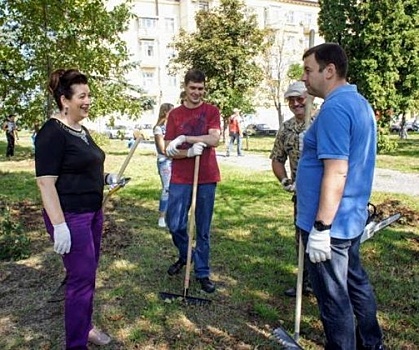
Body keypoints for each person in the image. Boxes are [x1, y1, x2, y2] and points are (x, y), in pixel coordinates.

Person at [296, 43, 384, 349]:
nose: (304, 78)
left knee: (334, 300)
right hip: (350, 218)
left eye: (309, 70)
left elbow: (336, 171)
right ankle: (372, 343)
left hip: (330, 225)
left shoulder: (335, 108)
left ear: (329, 70)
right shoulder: (358, 102)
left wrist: (320, 228)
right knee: (355, 283)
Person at [35, 68, 121, 349]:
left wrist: (107, 179)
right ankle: (76, 343)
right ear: (64, 100)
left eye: (89, 95)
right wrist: (59, 225)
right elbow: (46, 184)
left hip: (93, 213)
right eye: (82, 96)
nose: (88, 101)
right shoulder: (52, 132)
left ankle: (85, 327)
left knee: (87, 275)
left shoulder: (80, 130)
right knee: (80, 281)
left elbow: (85, 168)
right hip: (71, 217)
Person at [164, 68, 221, 293]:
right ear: (185, 88)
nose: (196, 92)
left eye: (200, 88)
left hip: (206, 177)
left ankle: (202, 271)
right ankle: (188, 255)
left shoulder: (211, 111)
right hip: (181, 177)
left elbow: (214, 139)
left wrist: (187, 138)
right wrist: (187, 153)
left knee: (203, 228)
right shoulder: (175, 114)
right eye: (192, 88)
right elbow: (169, 148)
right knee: (175, 222)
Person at [270, 81, 312, 298]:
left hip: (325, 192)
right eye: (291, 100)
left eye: (300, 99)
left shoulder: (322, 121)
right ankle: (304, 282)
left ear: (309, 97)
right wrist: (285, 181)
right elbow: (277, 159)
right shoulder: (286, 128)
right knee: (302, 239)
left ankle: (327, 284)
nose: (296, 104)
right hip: (301, 194)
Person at [153, 102, 174, 228]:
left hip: (175, 160)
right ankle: (162, 216)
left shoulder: (175, 127)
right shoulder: (159, 128)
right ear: (165, 112)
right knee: (167, 188)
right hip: (165, 161)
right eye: (172, 111)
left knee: (176, 188)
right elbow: (161, 149)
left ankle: (172, 215)